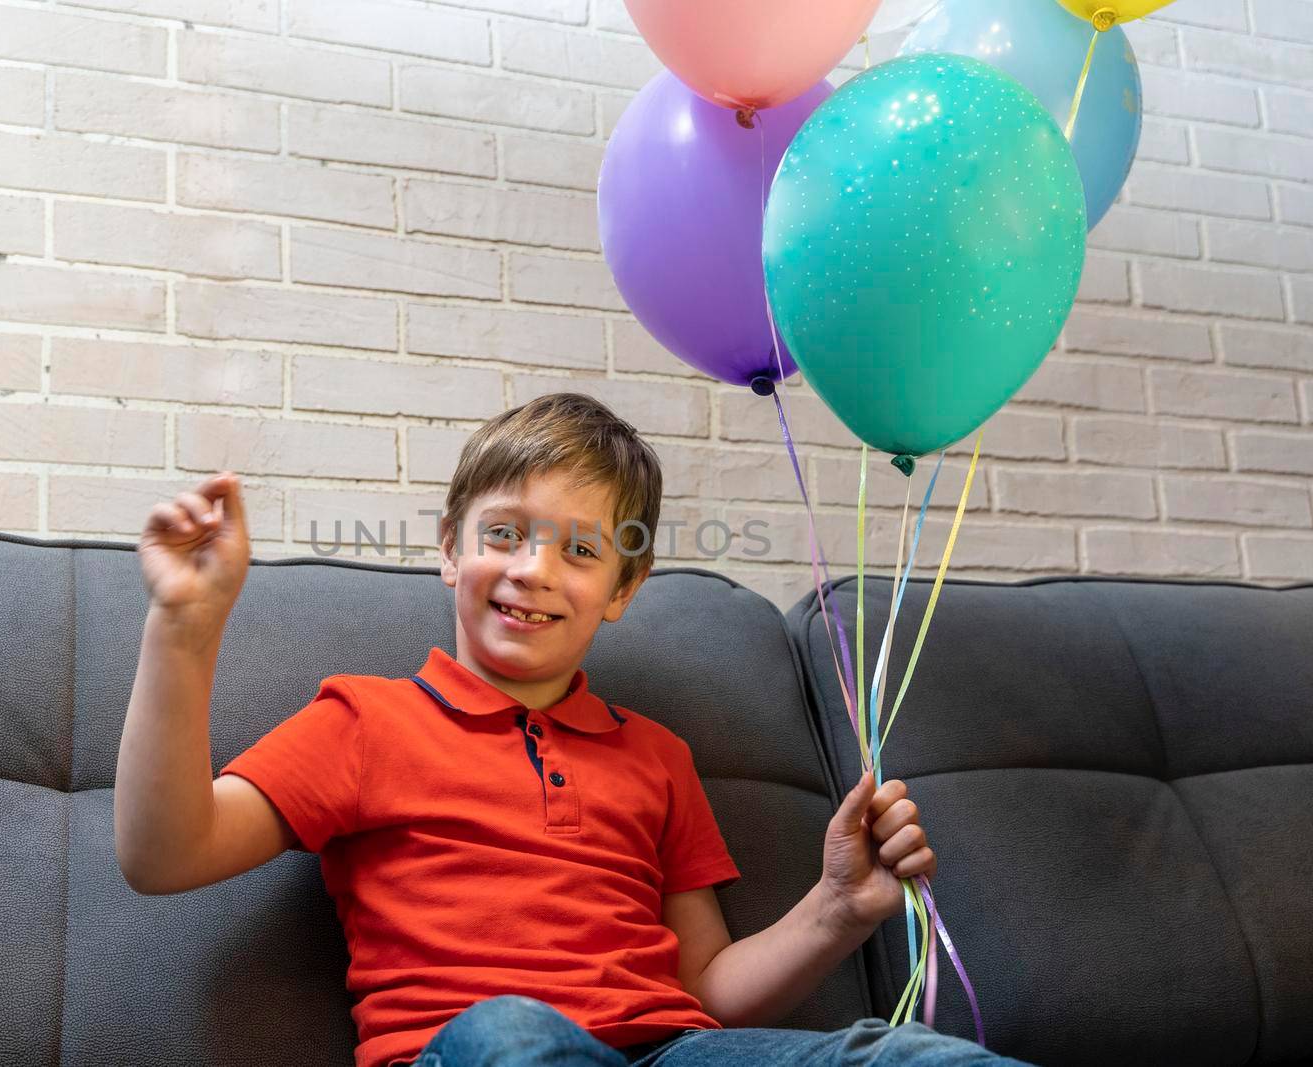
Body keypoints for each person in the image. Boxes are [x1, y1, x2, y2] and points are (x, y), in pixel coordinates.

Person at [114, 392, 1031, 1067]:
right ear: (449, 549)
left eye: (581, 551)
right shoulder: (364, 719)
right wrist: (184, 629)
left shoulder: (656, 755)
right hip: (477, 1050)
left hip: (670, 1054)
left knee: (910, 1056)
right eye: (504, 533)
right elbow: (165, 853)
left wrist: (837, 908)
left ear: (624, 591)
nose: (534, 570)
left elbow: (704, 989)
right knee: (518, 1035)